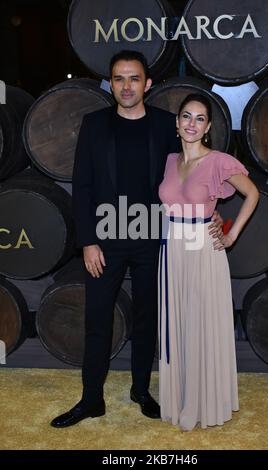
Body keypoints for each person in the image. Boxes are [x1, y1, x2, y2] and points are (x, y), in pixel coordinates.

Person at [51, 52, 223, 428]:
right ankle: (91, 400)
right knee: (97, 320)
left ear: (147, 84)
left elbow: (193, 169)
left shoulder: (166, 125)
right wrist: (88, 242)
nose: (126, 86)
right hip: (106, 238)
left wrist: (213, 208)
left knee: (148, 320)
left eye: (134, 79)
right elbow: (82, 187)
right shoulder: (93, 124)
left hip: (154, 237)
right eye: (118, 79)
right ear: (110, 84)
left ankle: (141, 391)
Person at [158, 93, 259, 431]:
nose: (192, 123)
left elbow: (252, 194)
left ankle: (206, 401)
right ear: (177, 123)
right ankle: (181, 396)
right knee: (180, 323)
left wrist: (231, 235)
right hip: (172, 249)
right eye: (186, 116)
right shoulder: (171, 160)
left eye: (200, 118)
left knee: (202, 323)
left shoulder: (218, 161)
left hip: (203, 250)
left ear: (209, 127)